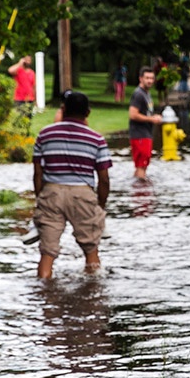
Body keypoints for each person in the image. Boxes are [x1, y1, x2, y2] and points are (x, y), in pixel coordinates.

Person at [31, 90, 111, 279]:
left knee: (47, 253)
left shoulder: (45, 134)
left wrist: (40, 198)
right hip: (83, 195)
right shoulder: (97, 139)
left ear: (63, 109)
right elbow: (104, 179)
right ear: (88, 113)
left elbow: (37, 173)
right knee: (91, 249)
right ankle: (92, 296)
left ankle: (45, 298)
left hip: (51, 192)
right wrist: (100, 206)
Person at [127, 67, 162, 180]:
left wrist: (154, 117)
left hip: (145, 133)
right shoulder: (138, 94)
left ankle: (138, 189)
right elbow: (133, 114)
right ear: (140, 79)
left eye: (152, 78)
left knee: (142, 165)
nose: (150, 81)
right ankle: (142, 194)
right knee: (142, 165)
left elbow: (146, 112)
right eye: (147, 78)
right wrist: (151, 119)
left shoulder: (146, 93)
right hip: (139, 134)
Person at [8, 55, 36, 121]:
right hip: (19, 98)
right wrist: (19, 63)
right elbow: (10, 70)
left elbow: (34, 87)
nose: (28, 62)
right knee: (19, 117)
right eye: (26, 60)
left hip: (29, 99)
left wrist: (35, 99)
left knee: (28, 118)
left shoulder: (32, 72)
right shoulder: (18, 70)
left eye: (29, 60)